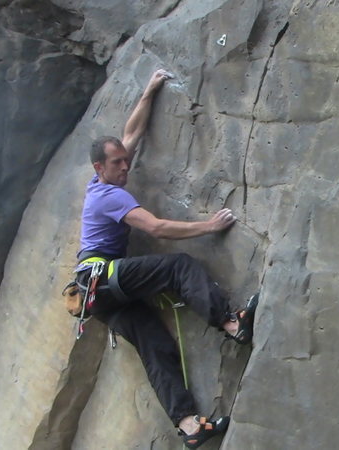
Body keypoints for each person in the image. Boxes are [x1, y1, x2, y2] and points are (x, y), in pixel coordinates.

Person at [64, 68, 258, 449]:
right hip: (103, 279)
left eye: (124, 160)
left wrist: (149, 90)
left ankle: (188, 426)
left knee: (156, 346)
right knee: (177, 266)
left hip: (98, 297)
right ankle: (232, 323)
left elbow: (132, 133)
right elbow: (155, 228)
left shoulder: (100, 181)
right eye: (118, 163)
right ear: (99, 169)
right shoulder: (111, 195)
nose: (126, 165)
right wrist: (208, 226)